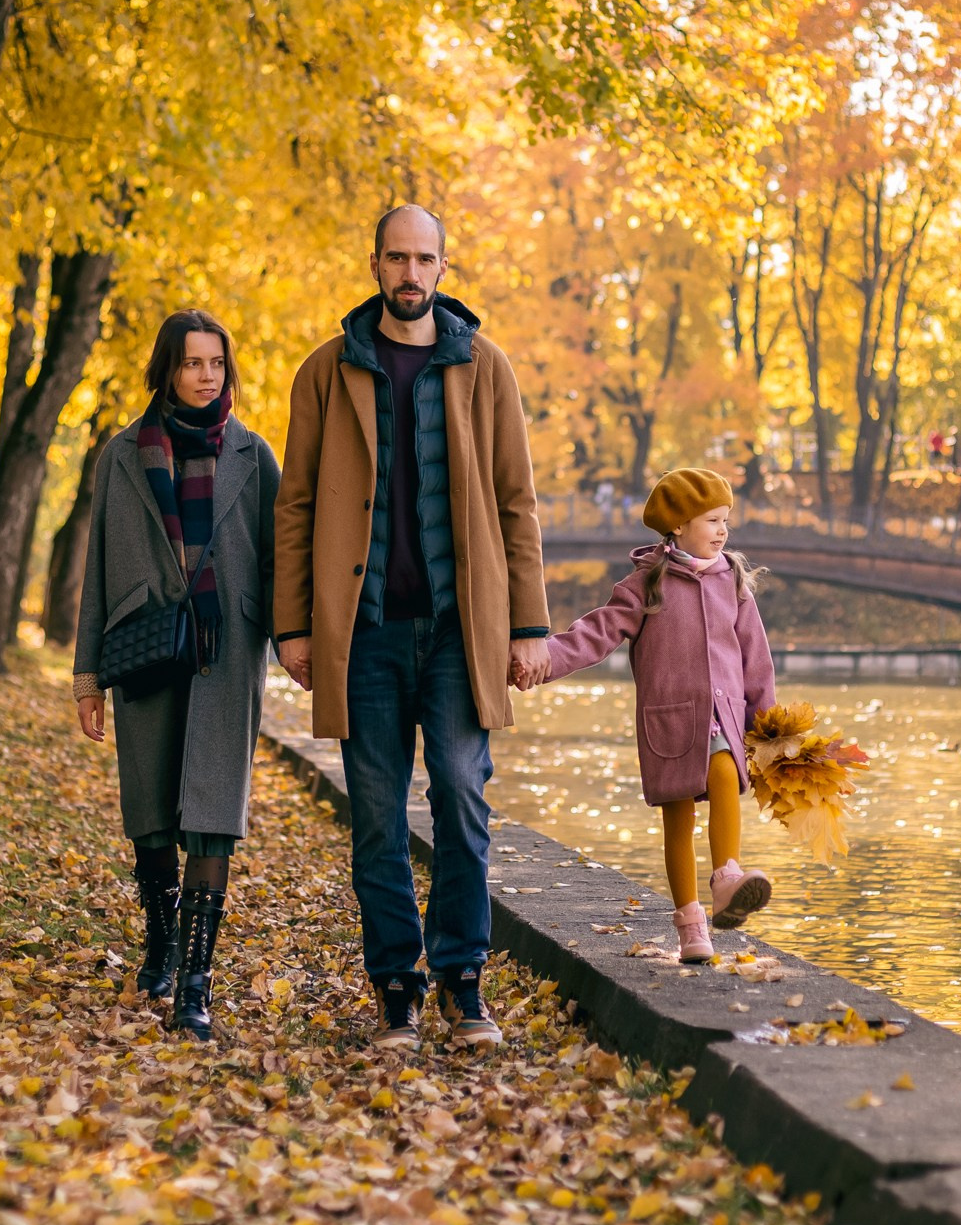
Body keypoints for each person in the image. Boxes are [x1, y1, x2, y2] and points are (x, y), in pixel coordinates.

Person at [276, 203, 550, 1052]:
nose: (409, 273)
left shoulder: (484, 367)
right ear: (375, 263)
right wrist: (293, 626)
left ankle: (464, 982)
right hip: (361, 634)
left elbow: (516, 502)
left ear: (442, 266)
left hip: (460, 633)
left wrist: (530, 625)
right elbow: (296, 505)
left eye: (423, 258)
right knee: (377, 817)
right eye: (396, 256)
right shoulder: (327, 371)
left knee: (463, 797)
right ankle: (398, 986)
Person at [73, 309, 279, 1041]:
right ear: (167, 368)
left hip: (227, 654)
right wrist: (87, 674)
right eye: (192, 363)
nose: (205, 376)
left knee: (212, 819)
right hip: (146, 645)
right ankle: (159, 941)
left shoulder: (254, 455)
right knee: (153, 815)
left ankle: (196, 980)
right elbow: (97, 566)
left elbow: (281, 556)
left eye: (216, 363)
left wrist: (301, 644)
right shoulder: (122, 454)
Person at [536, 468, 778, 963]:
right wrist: (544, 659)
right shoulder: (647, 583)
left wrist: (769, 725)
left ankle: (728, 875)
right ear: (679, 525)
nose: (722, 530)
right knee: (678, 820)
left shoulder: (733, 580)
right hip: (670, 721)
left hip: (724, 717)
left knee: (726, 771)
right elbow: (595, 633)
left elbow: (757, 657)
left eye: (726, 520)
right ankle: (691, 926)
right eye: (712, 520)